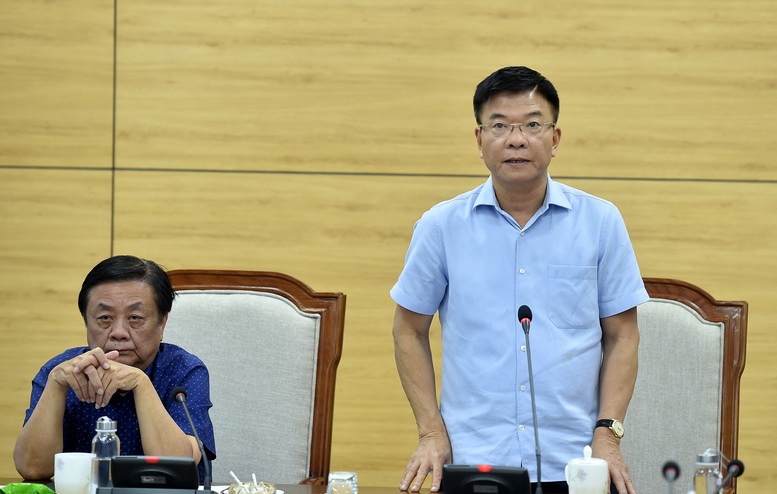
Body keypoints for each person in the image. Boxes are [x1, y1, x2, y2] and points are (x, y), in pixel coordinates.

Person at [390, 66, 648, 494]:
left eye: (532, 124)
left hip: (576, 462)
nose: (516, 139)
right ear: (479, 140)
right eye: (499, 126)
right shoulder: (441, 226)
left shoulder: (600, 222)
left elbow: (623, 336)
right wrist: (430, 431)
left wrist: (607, 434)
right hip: (474, 458)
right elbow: (407, 330)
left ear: (555, 138)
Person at [14, 255, 216, 482]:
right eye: (105, 317)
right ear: (86, 322)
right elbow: (32, 469)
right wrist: (55, 386)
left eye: (135, 317)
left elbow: (177, 468)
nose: (118, 331)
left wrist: (141, 384)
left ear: (162, 323)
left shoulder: (184, 371)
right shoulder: (60, 374)